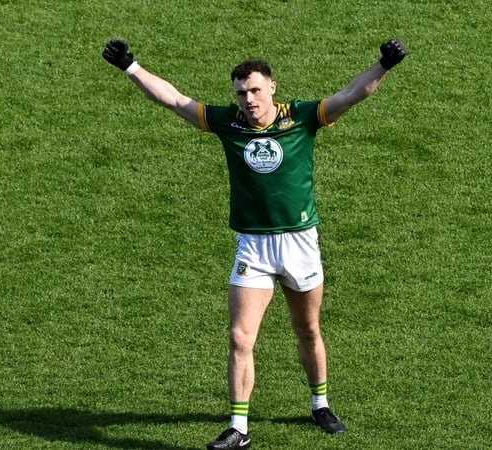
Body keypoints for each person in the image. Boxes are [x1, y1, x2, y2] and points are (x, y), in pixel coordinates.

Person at [103, 38, 406, 448]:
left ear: (272, 88)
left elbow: (353, 94)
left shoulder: (302, 117)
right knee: (240, 337)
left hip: (300, 243)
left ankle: (320, 403)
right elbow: (173, 100)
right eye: (242, 93)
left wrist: (383, 65)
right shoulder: (228, 122)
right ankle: (239, 429)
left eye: (255, 90)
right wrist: (130, 66)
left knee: (307, 327)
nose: (249, 99)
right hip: (254, 247)